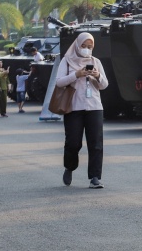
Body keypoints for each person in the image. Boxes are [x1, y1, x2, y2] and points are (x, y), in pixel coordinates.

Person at [56, 32, 109, 188]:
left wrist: (97, 75)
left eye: (90, 47)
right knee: (73, 142)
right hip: (73, 107)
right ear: (77, 45)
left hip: (94, 107)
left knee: (96, 143)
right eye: (84, 46)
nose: (87, 49)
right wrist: (76, 74)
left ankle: (95, 177)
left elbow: (104, 84)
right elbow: (59, 82)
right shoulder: (67, 61)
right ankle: (69, 167)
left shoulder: (96, 61)